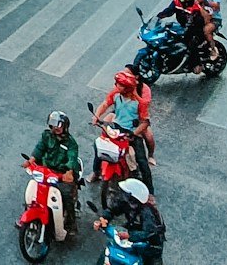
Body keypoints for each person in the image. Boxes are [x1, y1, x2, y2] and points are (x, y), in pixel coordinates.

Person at [31, 110, 82, 241]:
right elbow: (39, 148)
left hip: (62, 174)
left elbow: (72, 157)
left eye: (59, 125)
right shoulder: (46, 136)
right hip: (46, 170)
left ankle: (71, 223)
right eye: (53, 125)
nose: (56, 128)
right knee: (33, 190)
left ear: (65, 126)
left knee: (66, 195)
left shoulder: (71, 143)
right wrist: (31, 160)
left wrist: (69, 172)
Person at [94, 68, 154, 178]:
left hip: (131, 131)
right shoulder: (116, 94)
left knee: (142, 161)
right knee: (99, 147)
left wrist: (134, 133)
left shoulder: (140, 102)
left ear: (127, 88)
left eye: (120, 84)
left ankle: (150, 191)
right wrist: (96, 116)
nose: (116, 86)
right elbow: (104, 105)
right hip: (116, 127)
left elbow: (145, 122)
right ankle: (96, 172)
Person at [96, 178, 165, 264]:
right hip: (132, 236)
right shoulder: (127, 202)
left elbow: (149, 233)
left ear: (133, 198)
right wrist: (104, 218)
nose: (122, 195)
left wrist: (130, 235)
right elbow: (113, 209)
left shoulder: (148, 213)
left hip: (150, 245)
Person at [154, 0, 216, 70]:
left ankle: (197, 64)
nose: (180, 0)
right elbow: (168, 11)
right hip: (182, 26)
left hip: (196, 29)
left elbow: (196, 24)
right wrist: (157, 17)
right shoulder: (177, 2)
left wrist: (187, 29)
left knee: (190, 43)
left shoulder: (195, 9)